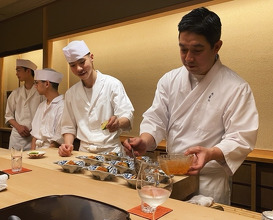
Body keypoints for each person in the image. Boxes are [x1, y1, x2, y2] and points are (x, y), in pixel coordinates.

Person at [123, 7, 259, 205]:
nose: (188, 58)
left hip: (209, 182)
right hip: (170, 179)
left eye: (197, 50)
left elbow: (241, 137)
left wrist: (211, 153)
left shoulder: (236, 87)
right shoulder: (169, 80)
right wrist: (144, 141)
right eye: (183, 49)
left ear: (217, 46)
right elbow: (157, 118)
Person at [58, 40, 134, 157]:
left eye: (82, 62)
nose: (78, 68)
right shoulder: (71, 93)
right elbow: (68, 125)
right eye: (73, 65)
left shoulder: (112, 84)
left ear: (91, 57)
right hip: (84, 153)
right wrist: (67, 145)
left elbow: (127, 115)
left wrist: (118, 122)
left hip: (111, 151)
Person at [5, 59, 45, 151]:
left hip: (35, 136)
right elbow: (8, 116)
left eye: (18, 70)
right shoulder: (15, 93)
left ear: (28, 71)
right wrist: (19, 127)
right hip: (17, 138)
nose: (16, 73)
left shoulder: (40, 92)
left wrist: (33, 130)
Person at [30, 68, 64, 149]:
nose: (35, 86)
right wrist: (32, 153)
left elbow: (57, 141)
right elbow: (34, 137)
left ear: (47, 84)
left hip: (52, 151)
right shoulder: (41, 105)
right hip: (37, 151)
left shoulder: (62, 105)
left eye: (37, 83)